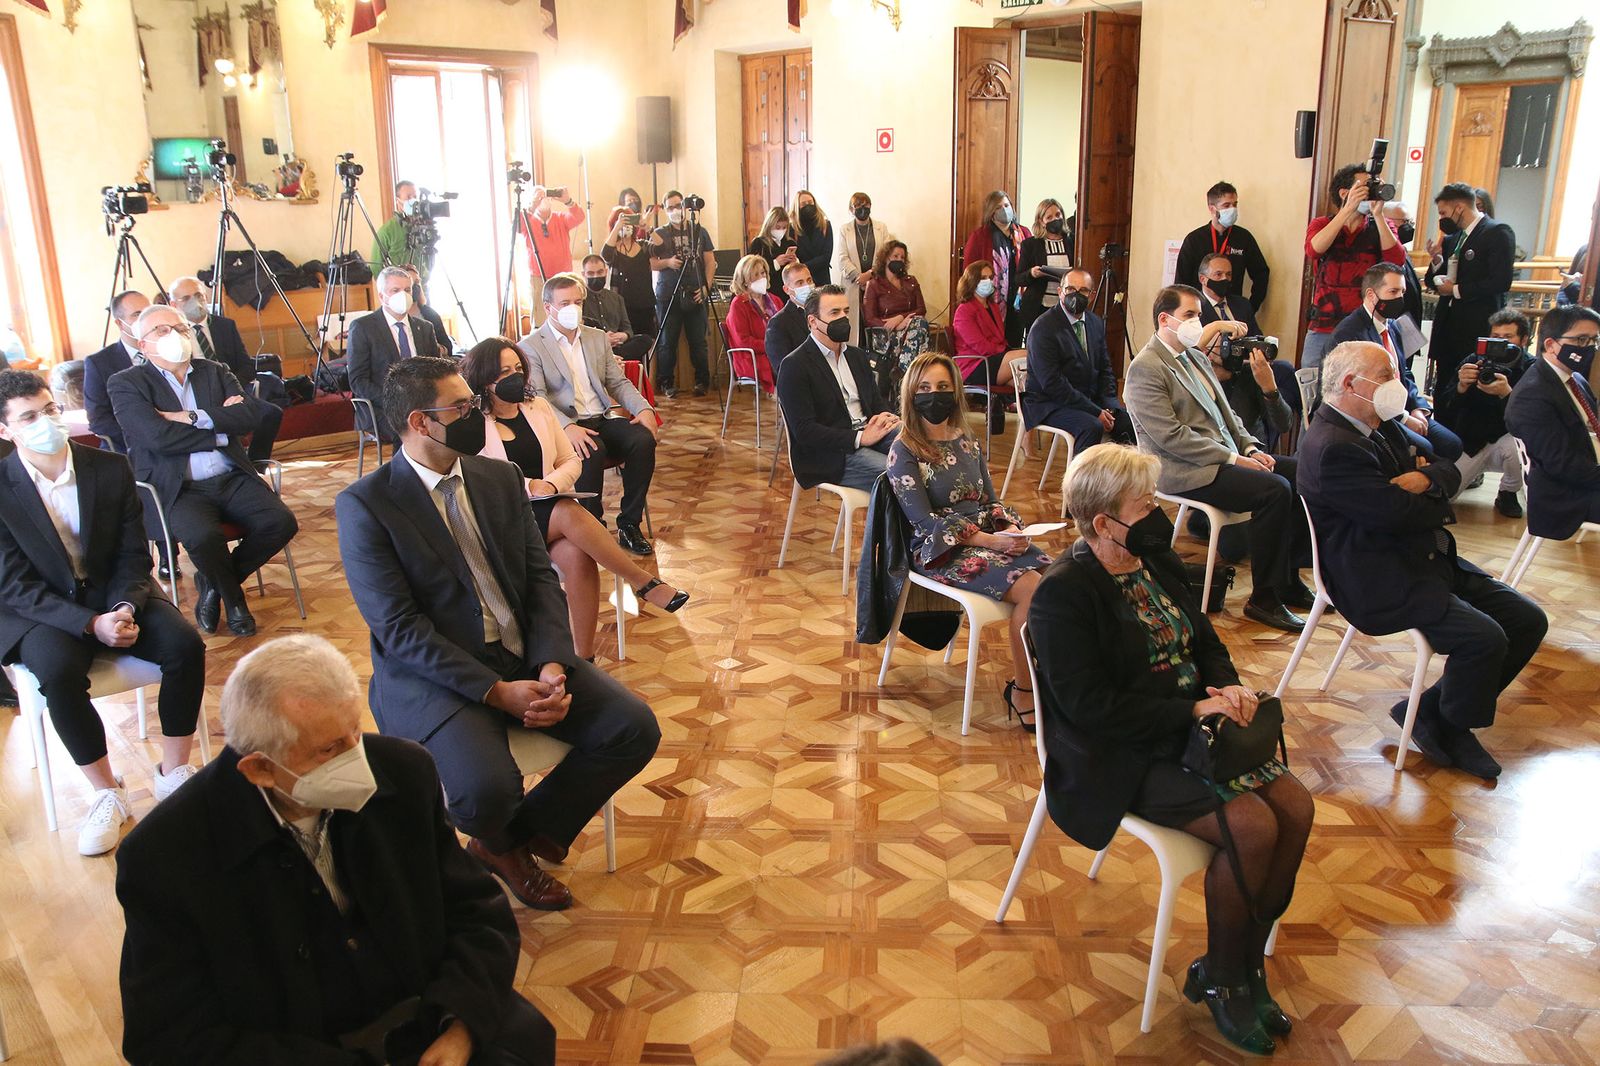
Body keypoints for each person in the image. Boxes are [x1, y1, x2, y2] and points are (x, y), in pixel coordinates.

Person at [115, 635, 557, 1066]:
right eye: (329, 749)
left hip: (428, 1012)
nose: (357, 760)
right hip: (294, 1047)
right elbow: (169, 1037)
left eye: (354, 731)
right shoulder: (163, 857)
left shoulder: (403, 772)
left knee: (527, 1042)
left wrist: (461, 1024)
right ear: (261, 770)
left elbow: (477, 912)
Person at [336, 358, 662, 911]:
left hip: (522, 654)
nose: (475, 415)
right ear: (421, 421)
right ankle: (505, 839)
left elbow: (539, 578)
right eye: (460, 407)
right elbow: (400, 630)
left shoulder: (498, 477)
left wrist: (554, 663)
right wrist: (495, 692)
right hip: (437, 676)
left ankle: (510, 842)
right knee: (486, 789)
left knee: (634, 729)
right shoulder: (368, 505)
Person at [1034, 441, 1313, 1055]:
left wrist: (1228, 686)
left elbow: (1206, 640)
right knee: (1254, 827)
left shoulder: (1154, 560)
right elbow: (1090, 709)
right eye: (1145, 503)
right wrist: (1192, 708)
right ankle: (1227, 981)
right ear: (1104, 522)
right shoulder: (1066, 593)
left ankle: (1233, 968)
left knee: (1296, 806)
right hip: (1121, 753)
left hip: (1195, 732)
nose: (1158, 513)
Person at [1300, 342, 1547, 779]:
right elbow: (1396, 516)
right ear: (1351, 384)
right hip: (1375, 575)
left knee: (1528, 619)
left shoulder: (1378, 422)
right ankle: (1453, 727)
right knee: (1484, 639)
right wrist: (1427, 493)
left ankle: (1431, 713)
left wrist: (1422, 478)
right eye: (1386, 375)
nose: (1396, 385)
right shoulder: (1333, 445)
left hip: (1422, 555)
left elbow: (1448, 465)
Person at [0, 370, 205, 856]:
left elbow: (135, 555)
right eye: (28, 417)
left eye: (49, 410)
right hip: (41, 608)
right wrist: (88, 625)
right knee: (57, 672)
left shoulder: (108, 467)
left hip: (115, 592)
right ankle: (106, 792)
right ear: (6, 430)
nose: (45, 422)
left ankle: (172, 772)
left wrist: (124, 607)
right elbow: (12, 584)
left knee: (185, 645)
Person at [463, 339, 688, 659]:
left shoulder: (537, 408)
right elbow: (482, 476)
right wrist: (531, 487)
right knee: (568, 512)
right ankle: (643, 582)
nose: (515, 376)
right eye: (504, 371)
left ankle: (583, 659)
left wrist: (550, 486)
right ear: (485, 379)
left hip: (546, 508)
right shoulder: (473, 423)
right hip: (502, 518)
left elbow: (571, 461)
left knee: (578, 555)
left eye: (518, 369)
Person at [1123, 286, 1312, 632]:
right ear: (1165, 320)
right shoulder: (1146, 368)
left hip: (1223, 456)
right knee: (1275, 490)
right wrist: (1234, 459)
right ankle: (1264, 598)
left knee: (1301, 474)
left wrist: (1251, 448)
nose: (1198, 322)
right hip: (1183, 468)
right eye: (1190, 315)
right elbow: (1171, 438)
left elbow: (1227, 416)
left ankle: (1287, 578)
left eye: (1199, 314)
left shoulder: (1195, 357)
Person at [110, 305, 299, 637]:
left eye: (182, 329)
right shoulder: (127, 383)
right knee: (202, 536)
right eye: (162, 330)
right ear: (143, 345)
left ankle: (211, 584)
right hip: (178, 487)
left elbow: (250, 417)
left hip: (231, 476)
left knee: (281, 522)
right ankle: (235, 601)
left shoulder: (213, 370)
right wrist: (219, 427)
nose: (176, 336)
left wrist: (189, 417)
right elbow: (157, 438)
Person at [887, 352, 1049, 730]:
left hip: (985, 537)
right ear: (911, 394)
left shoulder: (966, 441)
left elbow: (991, 500)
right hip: (941, 550)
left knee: (1061, 579)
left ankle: (1056, 681)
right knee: (1032, 590)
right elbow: (924, 523)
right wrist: (990, 542)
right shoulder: (904, 450)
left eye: (943, 387)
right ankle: (1024, 690)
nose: (935, 395)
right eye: (925, 388)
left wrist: (1008, 528)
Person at [517, 274, 661, 555]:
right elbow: (538, 398)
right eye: (566, 302)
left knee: (642, 440)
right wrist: (567, 428)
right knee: (589, 452)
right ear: (548, 307)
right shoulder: (531, 345)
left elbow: (617, 382)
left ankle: (629, 524)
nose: (574, 308)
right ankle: (592, 526)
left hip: (602, 417)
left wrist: (643, 408)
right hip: (566, 424)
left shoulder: (596, 338)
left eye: (578, 302)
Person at [1329, 263, 1464, 460]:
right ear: (1371, 294)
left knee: (1452, 445)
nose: (1400, 298)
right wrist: (1404, 418)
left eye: (1402, 292)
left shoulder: (1393, 326)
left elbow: (1405, 373)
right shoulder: (1351, 333)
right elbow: (1361, 391)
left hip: (1402, 405)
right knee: (1427, 449)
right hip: (1373, 413)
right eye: (1393, 291)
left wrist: (1418, 407)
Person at [775, 285, 900, 491]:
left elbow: (876, 403)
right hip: (831, 453)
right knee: (900, 474)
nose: (843, 318)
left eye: (846, 311)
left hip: (870, 434)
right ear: (812, 321)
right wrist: (860, 438)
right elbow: (804, 431)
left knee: (923, 449)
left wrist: (889, 418)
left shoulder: (857, 356)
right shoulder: (795, 365)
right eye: (834, 312)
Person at [1505, 305, 1600, 543]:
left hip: (1587, 472)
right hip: (1565, 495)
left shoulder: (1575, 378)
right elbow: (1564, 465)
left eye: (1593, 340)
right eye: (1580, 340)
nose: (1588, 348)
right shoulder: (1532, 396)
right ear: (1550, 344)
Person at [168, 275, 282, 461]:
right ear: (174, 305)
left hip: (232, 390)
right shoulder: (172, 335)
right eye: (186, 298)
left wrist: (231, 390)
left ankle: (255, 465)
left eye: (198, 295)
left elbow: (246, 365)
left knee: (271, 413)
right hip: (195, 396)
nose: (194, 301)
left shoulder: (224, 325)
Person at [1303, 162, 1405, 368]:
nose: (1371, 193)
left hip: (1364, 324)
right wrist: (1347, 210)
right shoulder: (1322, 223)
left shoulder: (1381, 226)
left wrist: (1378, 214)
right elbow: (1314, 249)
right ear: (1344, 193)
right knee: (1313, 381)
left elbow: (1396, 260)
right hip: (1324, 324)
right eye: (1365, 188)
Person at [1021, 267, 1134, 452]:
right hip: (1049, 403)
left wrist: (1110, 406)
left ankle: (1120, 479)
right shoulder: (1043, 328)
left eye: (1083, 291)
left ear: (1091, 295)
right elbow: (1052, 384)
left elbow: (1105, 369)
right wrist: (1094, 411)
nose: (1076, 295)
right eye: (1070, 289)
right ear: (1060, 292)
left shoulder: (1095, 322)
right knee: (1091, 426)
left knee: (1127, 423)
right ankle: (1081, 481)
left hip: (1087, 399)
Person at [1434, 309, 1533, 518]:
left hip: (1506, 441)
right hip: (1470, 441)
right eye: (1495, 338)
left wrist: (1508, 395)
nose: (1501, 344)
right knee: (1441, 500)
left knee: (1519, 444)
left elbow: (1532, 420)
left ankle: (1508, 492)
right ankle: (1472, 476)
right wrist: (1461, 386)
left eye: (1508, 338)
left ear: (1524, 340)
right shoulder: (1473, 360)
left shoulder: (1532, 369)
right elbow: (1445, 407)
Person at [1424, 181, 1516, 391]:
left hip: (1475, 325)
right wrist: (1437, 260)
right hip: (1448, 329)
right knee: (1445, 386)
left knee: (1470, 387)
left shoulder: (1497, 232)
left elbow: (1501, 281)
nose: (1442, 219)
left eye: (1443, 212)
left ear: (1459, 208)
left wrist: (1456, 290)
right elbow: (1433, 281)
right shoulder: (1452, 239)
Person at [348, 266, 439, 446]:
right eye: (395, 290)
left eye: (407, 290)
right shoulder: (363, 328)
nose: (402, 295)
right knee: (409, 429)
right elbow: (358, 380)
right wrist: (396, 401)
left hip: (423, 402)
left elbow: (436, 371)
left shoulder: (425, 328)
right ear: (382, 296)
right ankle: (404, 474)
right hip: (383, 406)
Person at [649, 190, 718, 397]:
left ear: (686, 207)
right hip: (668, 294)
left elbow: (710, 262)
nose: (675, 210)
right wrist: (668, 263)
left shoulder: (699, 231)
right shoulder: (660, 234)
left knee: (698, 341)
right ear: (665, 210)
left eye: (678, 205)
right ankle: (666, 382)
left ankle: (702, 382)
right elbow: (651, 262)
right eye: (670, 207)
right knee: (667, 342)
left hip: (695, 291)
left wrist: (706, 287)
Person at [1176, 182, 1270, 311]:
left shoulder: (1244, 237)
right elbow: (1181, 282)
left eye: (1235, 204)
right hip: (1199, 310)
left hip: (1232, 309)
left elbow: (1261, 274)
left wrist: (1250, 308)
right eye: (1226, 205)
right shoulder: (1194, 240)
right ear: (1212, 208)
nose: (1233, 209)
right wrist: (1187, 312)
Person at [963, 190, 1033, 347]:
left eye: (1006, 205)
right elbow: (969, 271)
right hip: (992, 298)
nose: (1004, 210)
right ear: (990, 212)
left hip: (1019, 299)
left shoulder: (1024, 233)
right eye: (998, 207)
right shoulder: (980, 236)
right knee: (996, 342)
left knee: (1015, 342)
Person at [83, 290, 150, 452]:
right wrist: (144, 437)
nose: (145, 320)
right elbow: (98, 418)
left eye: (148, 313)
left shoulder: (165, 352)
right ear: (120, 324)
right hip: (127, 445)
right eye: (137, 314)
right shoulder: (99, 363)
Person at [949, 261, 1022, 388]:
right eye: (983, 278)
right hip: (974, 364)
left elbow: (1000, 337)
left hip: (993, 358)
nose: (988, 281)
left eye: (990, 277)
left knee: (1026, 381)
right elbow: (979, 345)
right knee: (1028, 355)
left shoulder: (993, 306)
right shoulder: (964, 310)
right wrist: (1004, 351)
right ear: (972, 281)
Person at [863, 241, 931, 371]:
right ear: (885, 258)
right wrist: (894, 325)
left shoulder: (911, 281)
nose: (899, 260)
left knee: (919, 323)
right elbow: (869, 318)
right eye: (895, 256)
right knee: (919, 331)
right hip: (885, 334)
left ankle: (902, 373)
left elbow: (921, 309)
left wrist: (901, 318)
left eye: (902, 257)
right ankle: (912, 374)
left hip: (910, 327)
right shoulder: (874, 284)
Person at [1015, 198, 1074, 343]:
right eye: (1049, 217)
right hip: (1038, 306)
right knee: (1039, 346)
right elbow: (1018, 278)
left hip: (1065, 306)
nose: (1056, 219)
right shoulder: (1031, 244)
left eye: (1058, 215)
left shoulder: (1072, 241)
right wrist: (1032, 273)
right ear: (1041, 221)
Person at [724, 254, 785, 391]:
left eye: (763, 273)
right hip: (752, 358)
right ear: (745, 280)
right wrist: (772, 346)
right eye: (755, 275)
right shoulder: (738, 304)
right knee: (792, 367)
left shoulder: (775, 300)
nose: (761, 278)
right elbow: (743, 341)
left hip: (776, 352)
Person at [836, 191, 889, 345]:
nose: (862, 209)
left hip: (875, 281)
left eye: (865, 205)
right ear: (851, 210)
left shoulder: (881, 227)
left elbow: (886, 255)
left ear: (870, 206)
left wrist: (870, 274)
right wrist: (859, 277)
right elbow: (842, 257)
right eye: (857, 206)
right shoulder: (845, 229)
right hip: (853, 283)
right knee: (855, 324)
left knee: (873, 321)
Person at [580, 254, 652, 362]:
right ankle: (610, 358)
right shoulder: (580, 299)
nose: (596, 276)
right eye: (591, 273)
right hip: (594, 346)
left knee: (645, 340)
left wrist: (623, 336)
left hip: (617, 345)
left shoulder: (617, 298)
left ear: (606, 271)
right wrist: (603, 339)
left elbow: (628, 329)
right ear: (583, 274)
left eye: (599, 272)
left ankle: (611, 358)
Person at [602, 205, 658, 337]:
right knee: (626, 339)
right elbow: (605, 254)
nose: (625, 225)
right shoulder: (613, 249)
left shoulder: (643, 245)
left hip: (645, 303)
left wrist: (648, 228)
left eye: (629, 222)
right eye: (622, 222)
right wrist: (617, 227)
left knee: (649, 339)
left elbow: (661, 248)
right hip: (622, 305)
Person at [520, 183, 585, 278]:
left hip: (563, 274)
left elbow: (579, 217)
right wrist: (532, 207)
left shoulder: (560, 218)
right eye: (539, 197)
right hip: (537, 275)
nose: (543, 200)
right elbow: (517, 227)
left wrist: (568, 201)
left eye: (545, 195)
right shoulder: (527, 220)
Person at [765, 261, 814, 374]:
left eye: (809, 280)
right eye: (800, 283)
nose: (807, 286)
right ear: (786, 289)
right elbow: (782, 367)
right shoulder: (778, 323)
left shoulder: (821, 314)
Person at [368, 179, 422, 276]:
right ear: (398, 201)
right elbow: (376, 266)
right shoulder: (387, 231)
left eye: (415, 196)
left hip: (423, 285)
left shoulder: (422, 227)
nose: (413, 201)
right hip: (399, 288)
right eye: (408, 197)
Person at [400, 263, 454, 356]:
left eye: (417, 282)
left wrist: (434, 346)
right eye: (411, 283)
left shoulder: (430, 314)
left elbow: (448, 347)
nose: (415, 287)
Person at [748, 206, 799, 293]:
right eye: (778, 227)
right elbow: (752, 269)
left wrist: (795, 262)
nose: (781, 231)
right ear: (769, 225)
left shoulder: (790, 243)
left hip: (787, 288)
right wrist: (776, 263)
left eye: (784, 227)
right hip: (769, 288)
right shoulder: (759, 243)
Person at [791, 189, 834, 287]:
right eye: (803, 204)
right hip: (801, 281)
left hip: (822, 278)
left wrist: (804, 266)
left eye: (810, 202)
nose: (808, 206)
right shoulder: (792, 229)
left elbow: (826, 256)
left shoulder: (825, 225)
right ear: (797, 207)